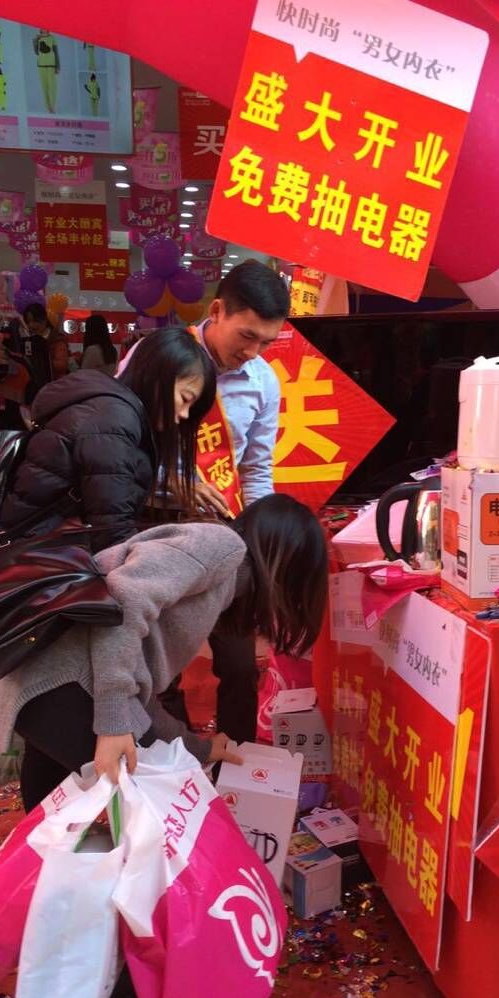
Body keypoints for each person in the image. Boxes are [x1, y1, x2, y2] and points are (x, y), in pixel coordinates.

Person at [0, 493, 328, 811]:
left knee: (55, 807)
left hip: (49, 683)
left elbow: (140, 699)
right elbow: (124, 602)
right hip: (61, 684)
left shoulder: (222, 584)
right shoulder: (223, 546)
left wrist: (199, 749)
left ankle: (44, 868)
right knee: (158, 806)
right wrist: (114, 722)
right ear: (287, 564)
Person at [0, 325, 214, 553]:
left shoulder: (112, 407)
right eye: (185, 398)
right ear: (157, 377)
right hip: (36, 552)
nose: (185, 414)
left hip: (39, 544)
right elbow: (112, 533)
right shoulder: (114, 420)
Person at [194, 259, 290, 746]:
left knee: (237, 663)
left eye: (266, 343)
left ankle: (236, 763)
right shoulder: (162, 356)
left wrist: (262, 538)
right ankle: (167, 766)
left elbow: (256, 468)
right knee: (154, 670)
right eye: (246, 336)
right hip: (154, 531)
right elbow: (124, 442)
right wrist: (174, 480)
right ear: (217, 311)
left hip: (223, 535)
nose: (252, 353)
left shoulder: (263, 380)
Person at [22, 302, 70, 382]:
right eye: (28, 322)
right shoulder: (29, 340)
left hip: (55, 384)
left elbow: (62, 365)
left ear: (44, 319)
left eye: (35, 321)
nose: (31, 325)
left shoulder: (57, 339)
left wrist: (40, 362)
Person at [32, 28, 59, 114]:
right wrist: (35, 40)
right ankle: (48, 107)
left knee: (52, 87)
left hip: (51, 64)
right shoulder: (38, 38)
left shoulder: (52, 38)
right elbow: (36, 52)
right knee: (44, 87)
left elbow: (56, 53)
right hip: (41, 65)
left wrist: (57, 66)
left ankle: (52, 106)